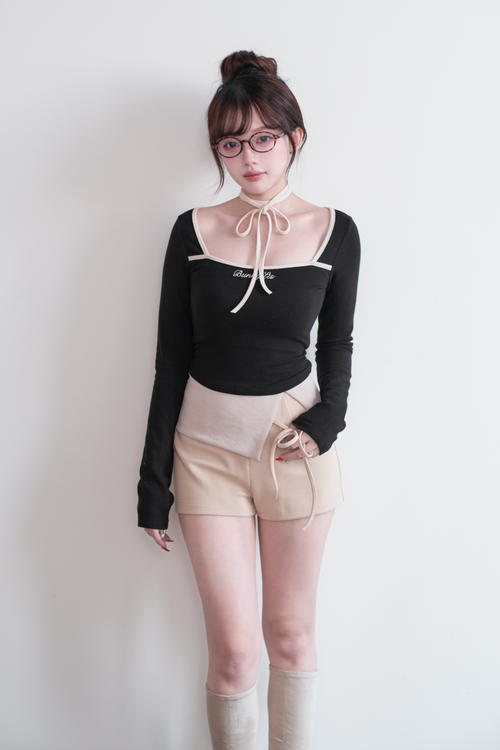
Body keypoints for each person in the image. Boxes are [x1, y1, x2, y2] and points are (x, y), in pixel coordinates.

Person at [137, 50, 360, 750]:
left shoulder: (334, 230)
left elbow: (338, 345)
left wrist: (327, 421)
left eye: (264, 138)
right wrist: (152, 482)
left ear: (295, 137)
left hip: (295, 452)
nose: (249, 157)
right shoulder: (193, 231)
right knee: (234, 653)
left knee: (289, 635)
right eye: (231, 144)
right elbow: (171, 359)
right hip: (205, 455)